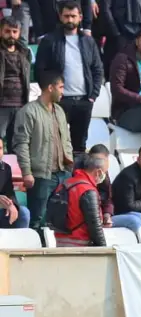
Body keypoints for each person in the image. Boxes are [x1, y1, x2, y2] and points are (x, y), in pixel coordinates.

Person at [35, 0, 104, 155]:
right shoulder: (49, 41)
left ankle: (76, 171)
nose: (70, 20)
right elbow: (40, 70)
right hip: (59, 101)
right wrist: (51, 93)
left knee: (79, 146)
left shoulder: (88, 41)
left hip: (84, 101)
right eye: (66, 16)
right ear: (60, 17)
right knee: (54, 144)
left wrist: (93, 95)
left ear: (80, 17)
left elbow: (97, 70)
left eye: (73, 16)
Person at [13, 71, 73, 228]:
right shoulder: (28, 112)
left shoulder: (59, 111)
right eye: (61, 87)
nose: (63, 91)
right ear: (50, 88)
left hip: (63, 174)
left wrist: (69, 165)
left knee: (59, 220)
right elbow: (21, 144)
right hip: (41, 176)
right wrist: (27, 172)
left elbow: (67, 140)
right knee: (37, 221)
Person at [54, 153, 107, 247]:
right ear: (98, 172)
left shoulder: (65, 184)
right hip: (80, 244)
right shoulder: (87, 190)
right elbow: (94, 225)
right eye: (105, 172)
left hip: (60, 241)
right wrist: (103, 248)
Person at [97, 0, 141, 79]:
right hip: (118, 33)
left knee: (136, 72)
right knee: (115, 71)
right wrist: (115, 32)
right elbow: (105, 7)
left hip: (139, 30)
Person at [0, 16, 31, 153]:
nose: (11, 35)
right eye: (7, 31)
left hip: (20, 104)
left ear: (19, 33)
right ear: (1, 32)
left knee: (16, 142)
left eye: (14, 31)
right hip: (2, 104)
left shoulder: (24, 52)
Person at [0, 138, 29, 229]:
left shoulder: (6, 168)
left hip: (1, 209)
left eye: (0, 148)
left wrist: (13, 205)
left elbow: (10, 192)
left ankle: (19, 238)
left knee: (24, 213)